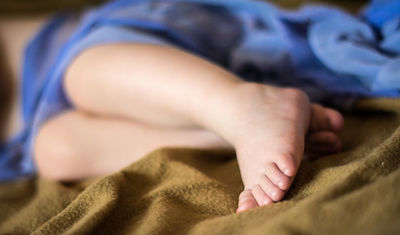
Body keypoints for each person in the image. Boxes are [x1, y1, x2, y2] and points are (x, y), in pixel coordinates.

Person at [1, 0, 345, 213]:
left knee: (83, 77)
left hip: (128, 38)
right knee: (56, 152)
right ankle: (232, 132)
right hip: (36, 130)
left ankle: (242, 105)